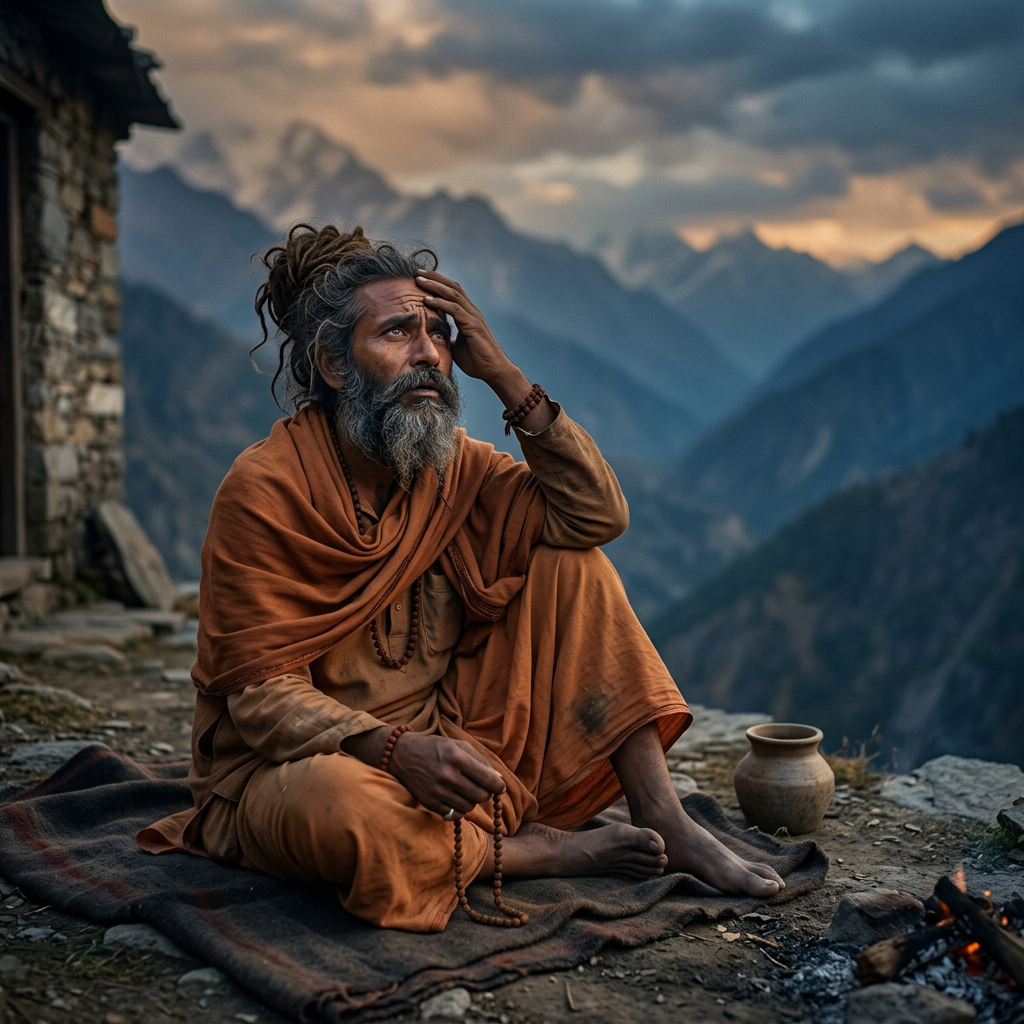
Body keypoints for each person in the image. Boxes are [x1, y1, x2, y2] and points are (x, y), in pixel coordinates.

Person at [138, 225, 784, 931]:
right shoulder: (263, 491)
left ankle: (662, 811)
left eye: (439, 336)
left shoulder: (454, 469)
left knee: (574, 563)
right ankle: (526, 854)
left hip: (449, 745)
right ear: (330, 362)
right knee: (346, 812)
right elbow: (258, 697)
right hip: (301, 764)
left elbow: (597, 514)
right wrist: (390, 749)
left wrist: (503, 371)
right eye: (396, 333)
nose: (428, 356)